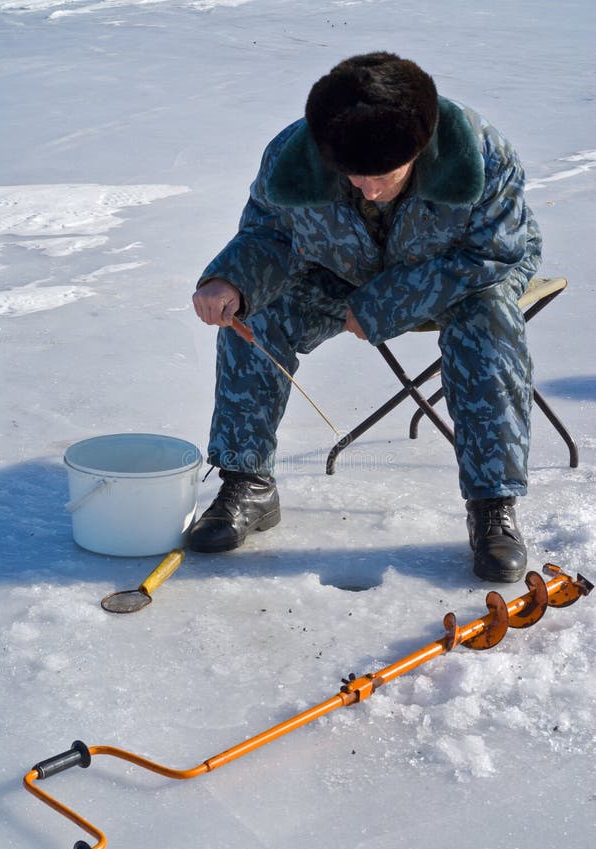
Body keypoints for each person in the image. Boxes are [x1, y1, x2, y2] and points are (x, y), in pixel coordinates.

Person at [190, 51, 541, 583]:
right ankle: (248, 481)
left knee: (489, 322)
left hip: (460, 275)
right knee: (257, 312)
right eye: (352, 175)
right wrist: (229, 280)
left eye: (383, 175)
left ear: (420, 150)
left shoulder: (480, 154)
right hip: (337, 272)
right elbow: (270, 233)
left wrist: (384, 304)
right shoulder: (295, 156)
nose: (367, 188)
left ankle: (493, 506)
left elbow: (493, 253)